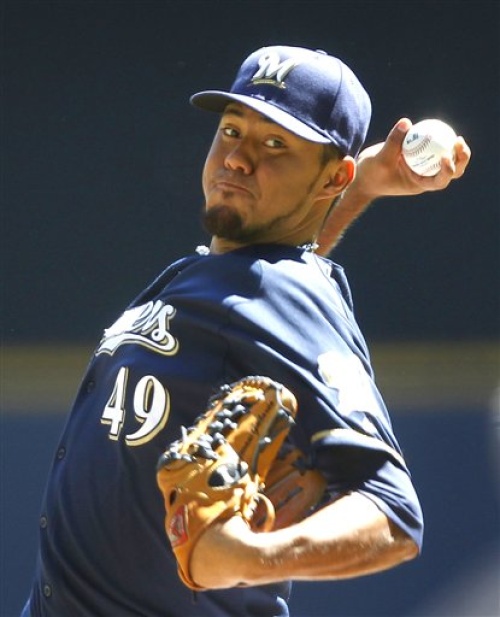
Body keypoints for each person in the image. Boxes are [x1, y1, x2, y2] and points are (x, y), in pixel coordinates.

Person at [21, 45, 470, 617]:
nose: (237, 158)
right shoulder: (239, 277)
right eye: (232, 130)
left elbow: (393, 511)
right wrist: (360, 188)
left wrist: (251, 558)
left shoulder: (286, 292)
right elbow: (273, 270)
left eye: (275, 143)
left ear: (331, 175)